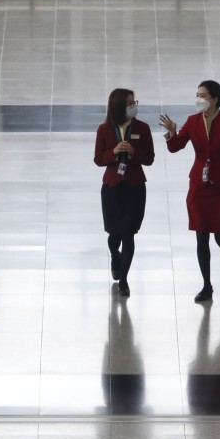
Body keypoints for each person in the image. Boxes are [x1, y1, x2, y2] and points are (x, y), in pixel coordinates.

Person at [159, 80, 220, 302]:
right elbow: (175, 147)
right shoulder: (192, 121)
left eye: (203, 95)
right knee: (201, 238)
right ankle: (207, 286)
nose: (199, 99)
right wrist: (171, 133)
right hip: (199, 187)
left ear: (215, 99)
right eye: (197, 95)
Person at [94, 88, 155, 297]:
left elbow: (150, 158)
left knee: (129, 234)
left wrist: (133, 152)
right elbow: (98, 159)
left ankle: (124, 280)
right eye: (129, 103)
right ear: (118, 106)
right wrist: (114, 152)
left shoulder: (143, 128)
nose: (133, 107)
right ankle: (115, 255)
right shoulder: (104, 130)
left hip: (134, 188)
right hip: (112, 188)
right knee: (114, 235)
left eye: (134, 103)